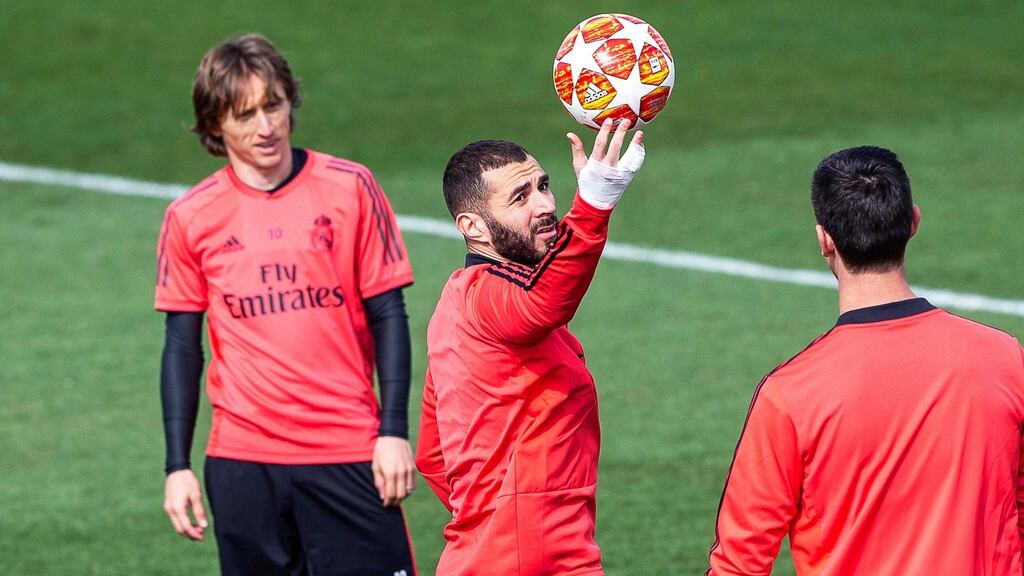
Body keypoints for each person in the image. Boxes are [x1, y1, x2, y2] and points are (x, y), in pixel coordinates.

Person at [154, 34, 417, 576]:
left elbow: (389, 315)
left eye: (273, 105)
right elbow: (182, 346)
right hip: (243, 463)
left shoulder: (352, 188)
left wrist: (393, 430)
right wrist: (176, 465)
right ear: (214, 126)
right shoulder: (191, 216)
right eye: (245, 114)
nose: (266, 127)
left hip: (349, 450)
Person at [706, 146, 1024, 575]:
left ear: (825, 241)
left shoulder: (790, 395)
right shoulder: (1005, 358)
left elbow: (739, 564)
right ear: (913, 221)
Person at [414, 118, 645, 575]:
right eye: (520, 198)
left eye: (544, 186)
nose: (544, 205)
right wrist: (595, 203)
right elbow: (547, 301)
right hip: (535, 559)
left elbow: (432, 453)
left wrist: (492, 519)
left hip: (501, 554)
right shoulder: (488, 296)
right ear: (473, 227)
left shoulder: (458, 303)